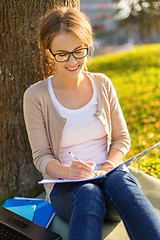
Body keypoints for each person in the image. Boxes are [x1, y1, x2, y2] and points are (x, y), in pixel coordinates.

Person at [23, 6, 160, 240]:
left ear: (88, 45)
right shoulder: (36, 96)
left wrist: (107, 165)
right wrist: (68, 171)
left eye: (78, 51)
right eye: (62, 53)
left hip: (110, 181)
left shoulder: (103, 84)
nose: (72, 61)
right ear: (49, 52)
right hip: (68, 191)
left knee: (121, 180)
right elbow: (42, 157)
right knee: (87, 191)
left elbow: (122, 139)